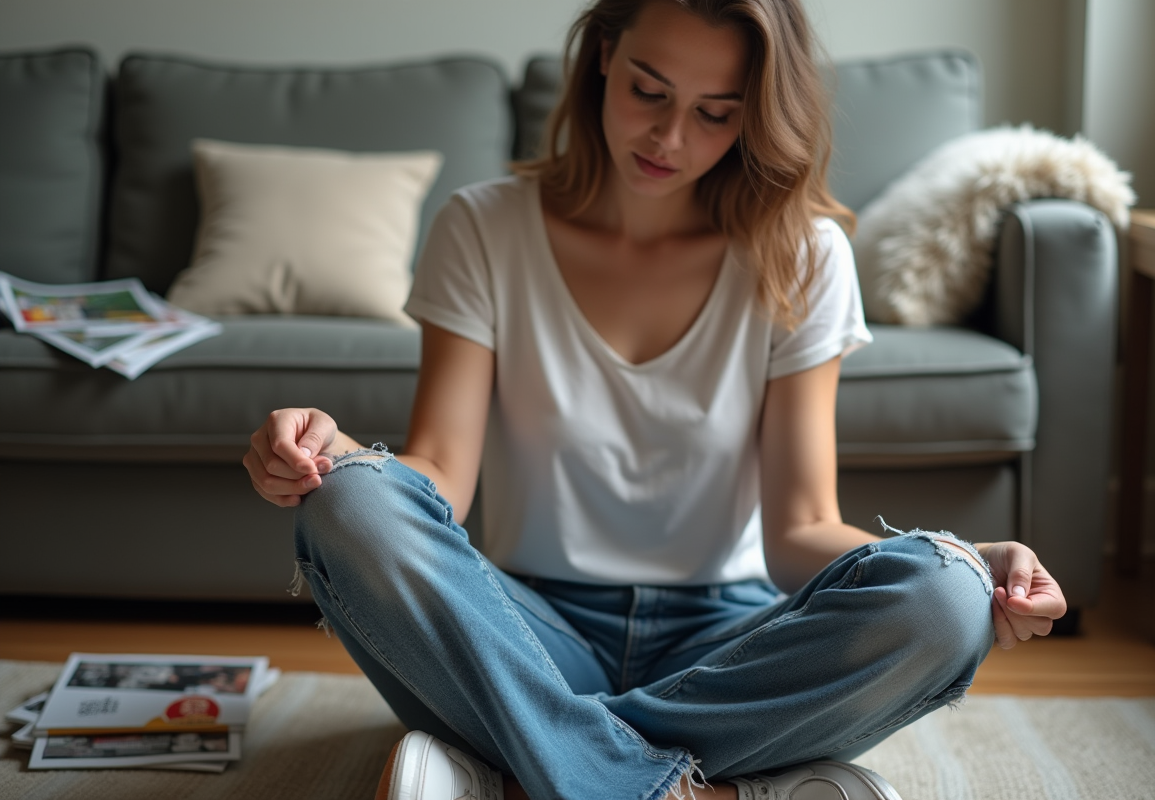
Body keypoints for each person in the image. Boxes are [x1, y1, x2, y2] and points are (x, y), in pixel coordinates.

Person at [243, 0, 1068, 798]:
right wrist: (333, 457)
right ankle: (704, 787)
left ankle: (532, 769)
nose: (671, 138)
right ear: (604, 52)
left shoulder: (805, 252)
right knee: (351, 505)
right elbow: (440, 481)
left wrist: (971, 561)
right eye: (649, 91)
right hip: (526, 635)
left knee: (945, 597)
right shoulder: (482, 227)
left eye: (716, 112)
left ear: (755, 116)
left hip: (736, 648)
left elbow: (800, 531)